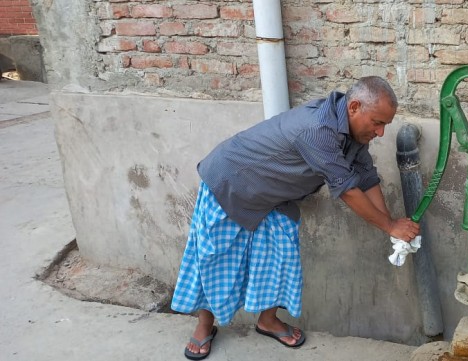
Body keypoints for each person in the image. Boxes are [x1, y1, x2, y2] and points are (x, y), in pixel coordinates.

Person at [170, 76, 420, 360]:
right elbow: (348, 190)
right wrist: (389, 225)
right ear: (353, 107)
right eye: (377, 122)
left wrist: (391, 228)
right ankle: (204, 326)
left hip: (273, 196)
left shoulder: (353, 133)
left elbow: (366, 177)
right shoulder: (316, 130)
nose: (381, 132)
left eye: (385, 124)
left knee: (280, 257)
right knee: (216, 258)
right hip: (232, 182)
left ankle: (267, 321)